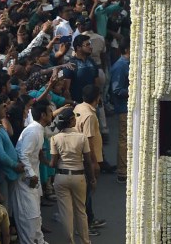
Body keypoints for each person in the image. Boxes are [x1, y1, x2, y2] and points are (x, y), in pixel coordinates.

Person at [50, 107, 96, 243]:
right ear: (71, 121)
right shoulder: (81, 137)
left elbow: (53, 163)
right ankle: (85, 241)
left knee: (66, 213)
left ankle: (70, 241)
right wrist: (92, 178)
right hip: (78, 176)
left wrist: (42, 159)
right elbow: (87, 161)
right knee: (81, 211)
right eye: (74, 117)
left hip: (61, 176)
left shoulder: (55, 138)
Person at [14, 101, 52, 244]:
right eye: (49, 112)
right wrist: (32, 175)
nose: (51, 115)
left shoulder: (38, 130)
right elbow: (23, 154)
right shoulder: (34, 131)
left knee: (36, 214)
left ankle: (40, 241)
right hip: (27, 179)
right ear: (43, 115)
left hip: (32, 178)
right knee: (29, 216)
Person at [74, 85, 106, 233]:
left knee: (86, 192)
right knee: (86, 192)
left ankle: (90, 219)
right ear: (97, 98)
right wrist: (94, 163)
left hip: (78, 156)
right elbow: (88, 139)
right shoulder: (89, 115)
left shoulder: (79, 107)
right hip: (86, 159)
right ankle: (85, 225)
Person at [110, 38, 130, 184]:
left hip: (129, 106)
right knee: (124, 139)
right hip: (124, 108)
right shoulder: (120, 66)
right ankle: (122, 171)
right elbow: (117, 90)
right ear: (127, 50)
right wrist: (134, 90)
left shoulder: (127, 64)